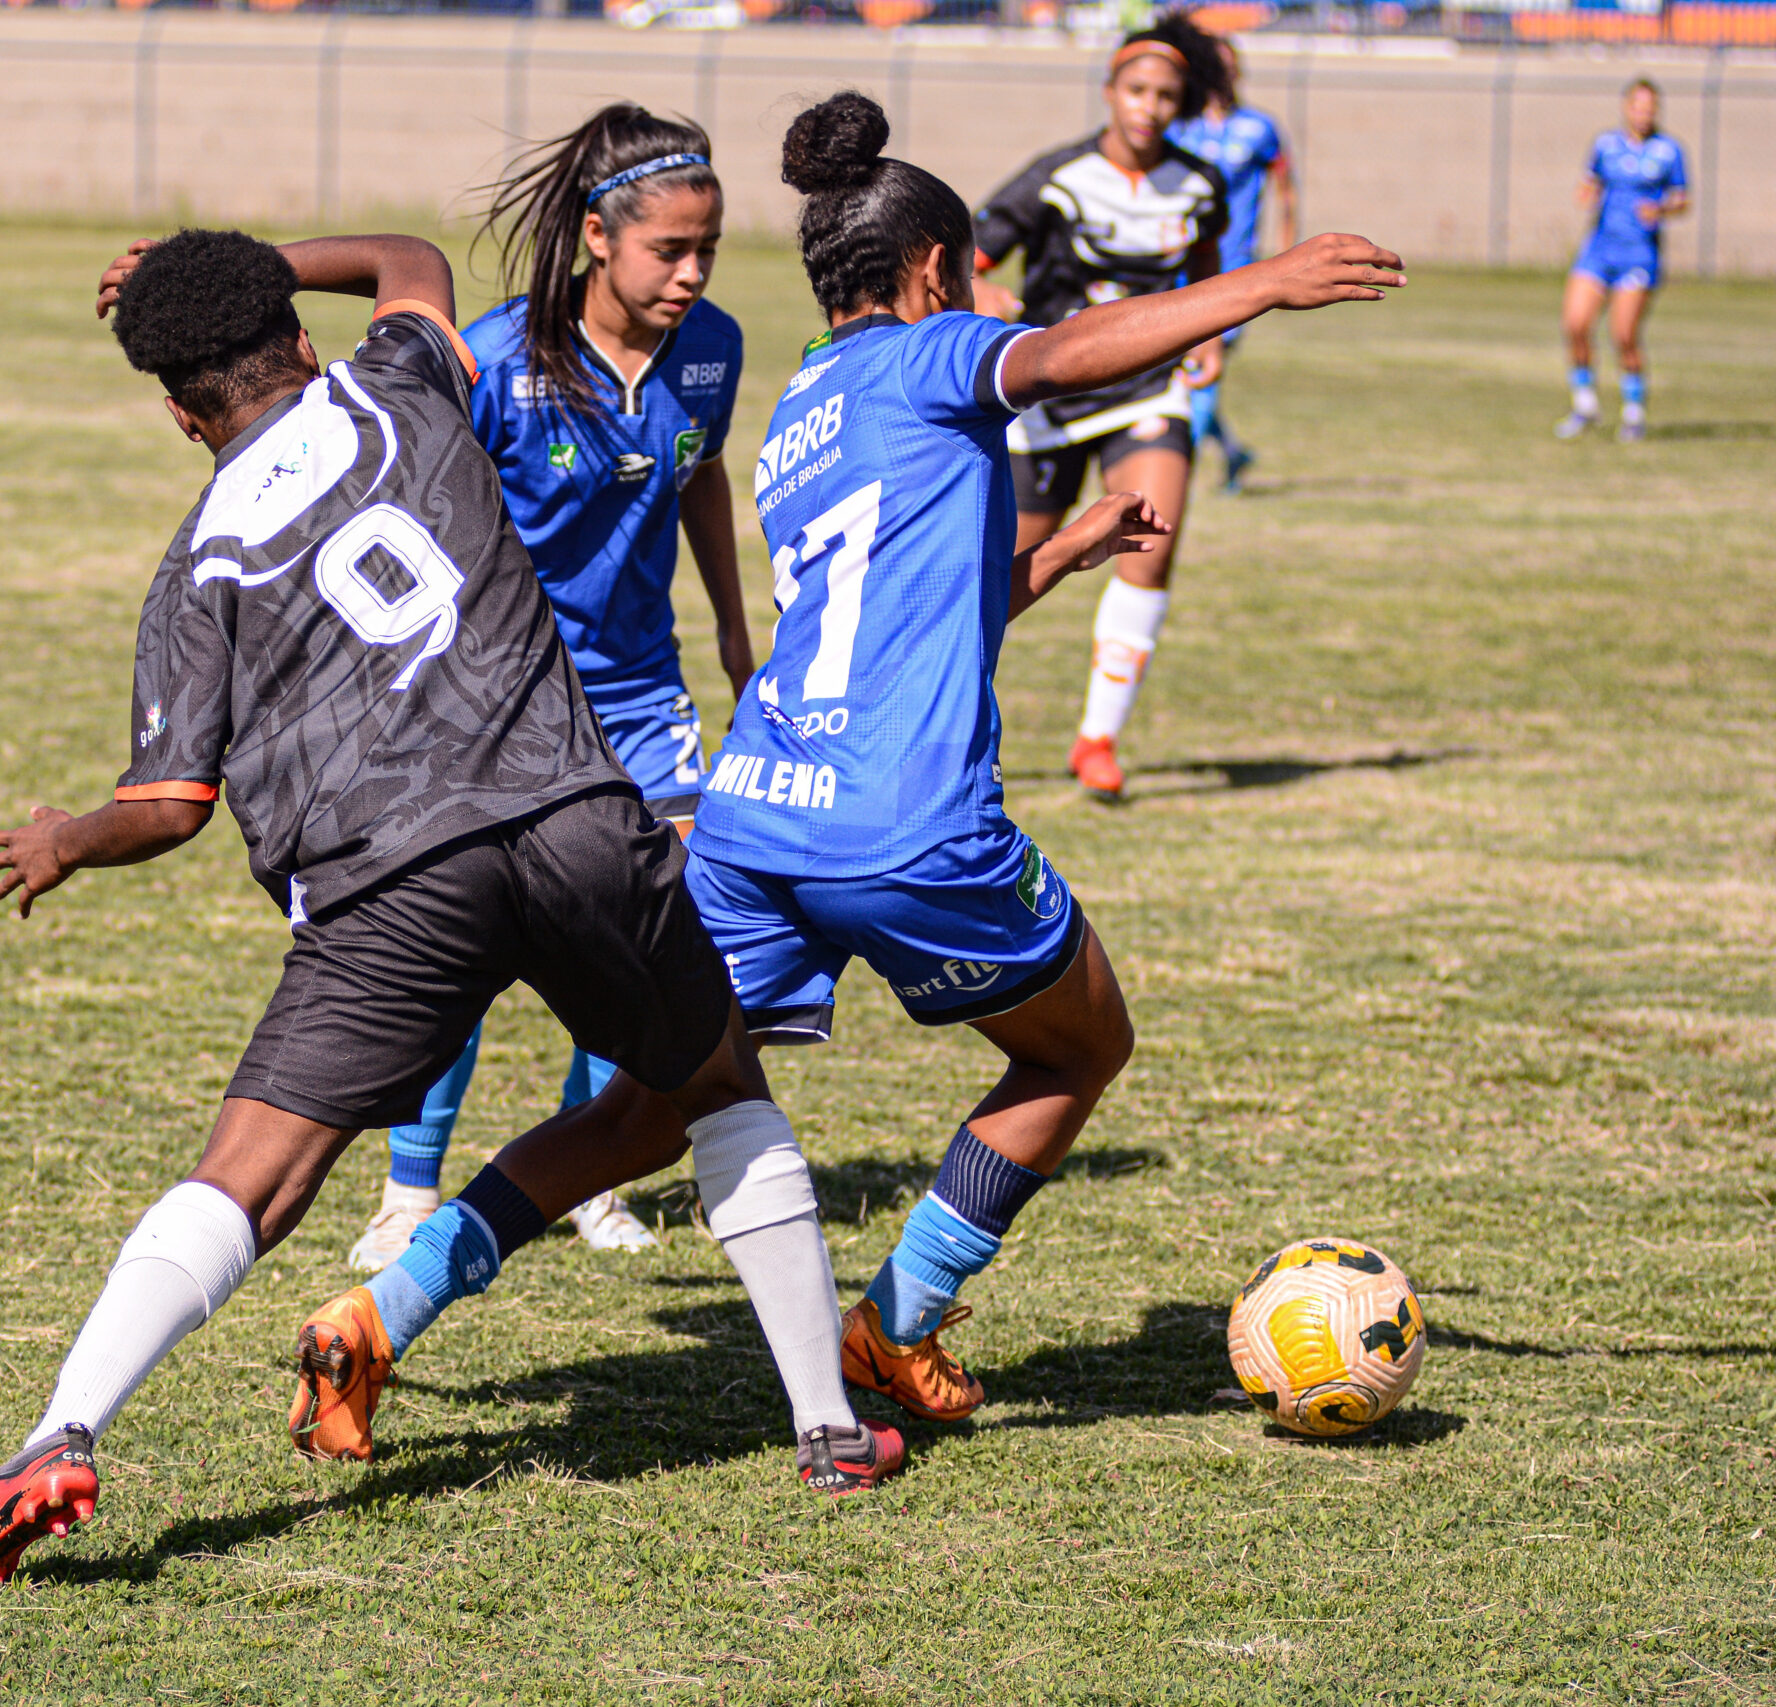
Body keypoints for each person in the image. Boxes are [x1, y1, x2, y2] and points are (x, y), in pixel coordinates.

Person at [289, 90, 1404, 1452]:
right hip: (907, 826)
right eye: (973, 277)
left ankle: (377, 1317)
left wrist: (1059, 550)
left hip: (757, 817)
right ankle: (904, 1314)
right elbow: (1059, 360)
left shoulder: (808, 402)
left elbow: (898, 615)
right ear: (936, 271)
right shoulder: (937, 354)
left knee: (649, 1109)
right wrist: (1261, 285)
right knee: (1080, 1046)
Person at [0, 228, 904, 1590]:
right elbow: (408, 253)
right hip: (569, 818)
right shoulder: (401, 380)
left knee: (254, 1171)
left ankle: (58, 1426)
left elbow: (172, 802)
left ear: (179, 411)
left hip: (389, 882)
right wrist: (268, 249)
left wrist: (63, 838)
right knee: (717, 1078)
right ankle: (832, 1430)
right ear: (302, 338)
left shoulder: (197, 567)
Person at [344, 102, 756, 1273]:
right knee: (470, 937)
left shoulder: (714, 348)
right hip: (493, 698)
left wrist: (731, 627)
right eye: (667, 250)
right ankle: (410, 1191)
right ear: (595, 237)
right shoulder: (493, 358)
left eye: (706, 251)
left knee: (651, 934)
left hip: (640, 698)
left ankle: (594, 1178)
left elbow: (700, 480)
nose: (688, 275)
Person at [973, 13, 1229, 802]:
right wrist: (980, 292)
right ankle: (941, 719)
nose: (1150, 106)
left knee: (1152, 541)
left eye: (1166, 94)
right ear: (1111, 90)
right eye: (1137, 89)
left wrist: (1208, 326)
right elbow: (970, 251)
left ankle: (1098, 739)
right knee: (994, 574)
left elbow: (1206, 260)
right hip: (1054, 387)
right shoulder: (1057, 175)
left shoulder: (1198, 184)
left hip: (1148, 389)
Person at [1166, 33, 1297, 492]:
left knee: (1201, 374)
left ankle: (1174, 474)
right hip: (1176, 268)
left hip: (1235, 269)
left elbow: (1287, 192)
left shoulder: (1261, 128)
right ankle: (1235, 453)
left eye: (1225, 66)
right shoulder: (1177, 128)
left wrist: (1285, 257)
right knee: (1181, 374)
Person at [1558, 77, 1686, 445]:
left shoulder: (1668, 151)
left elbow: (1682, 198)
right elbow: (1590, 181)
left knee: (1624, 335)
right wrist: (1586, 192)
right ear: (1626, 107)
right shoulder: (1605, 145)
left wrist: (1661, 208)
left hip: (1638, 255)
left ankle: (1633, 413)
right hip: (1598, 251)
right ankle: (1584, 405)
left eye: (1650, 108)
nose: (1644, 114)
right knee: (1576, 324)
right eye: (1638, 107)